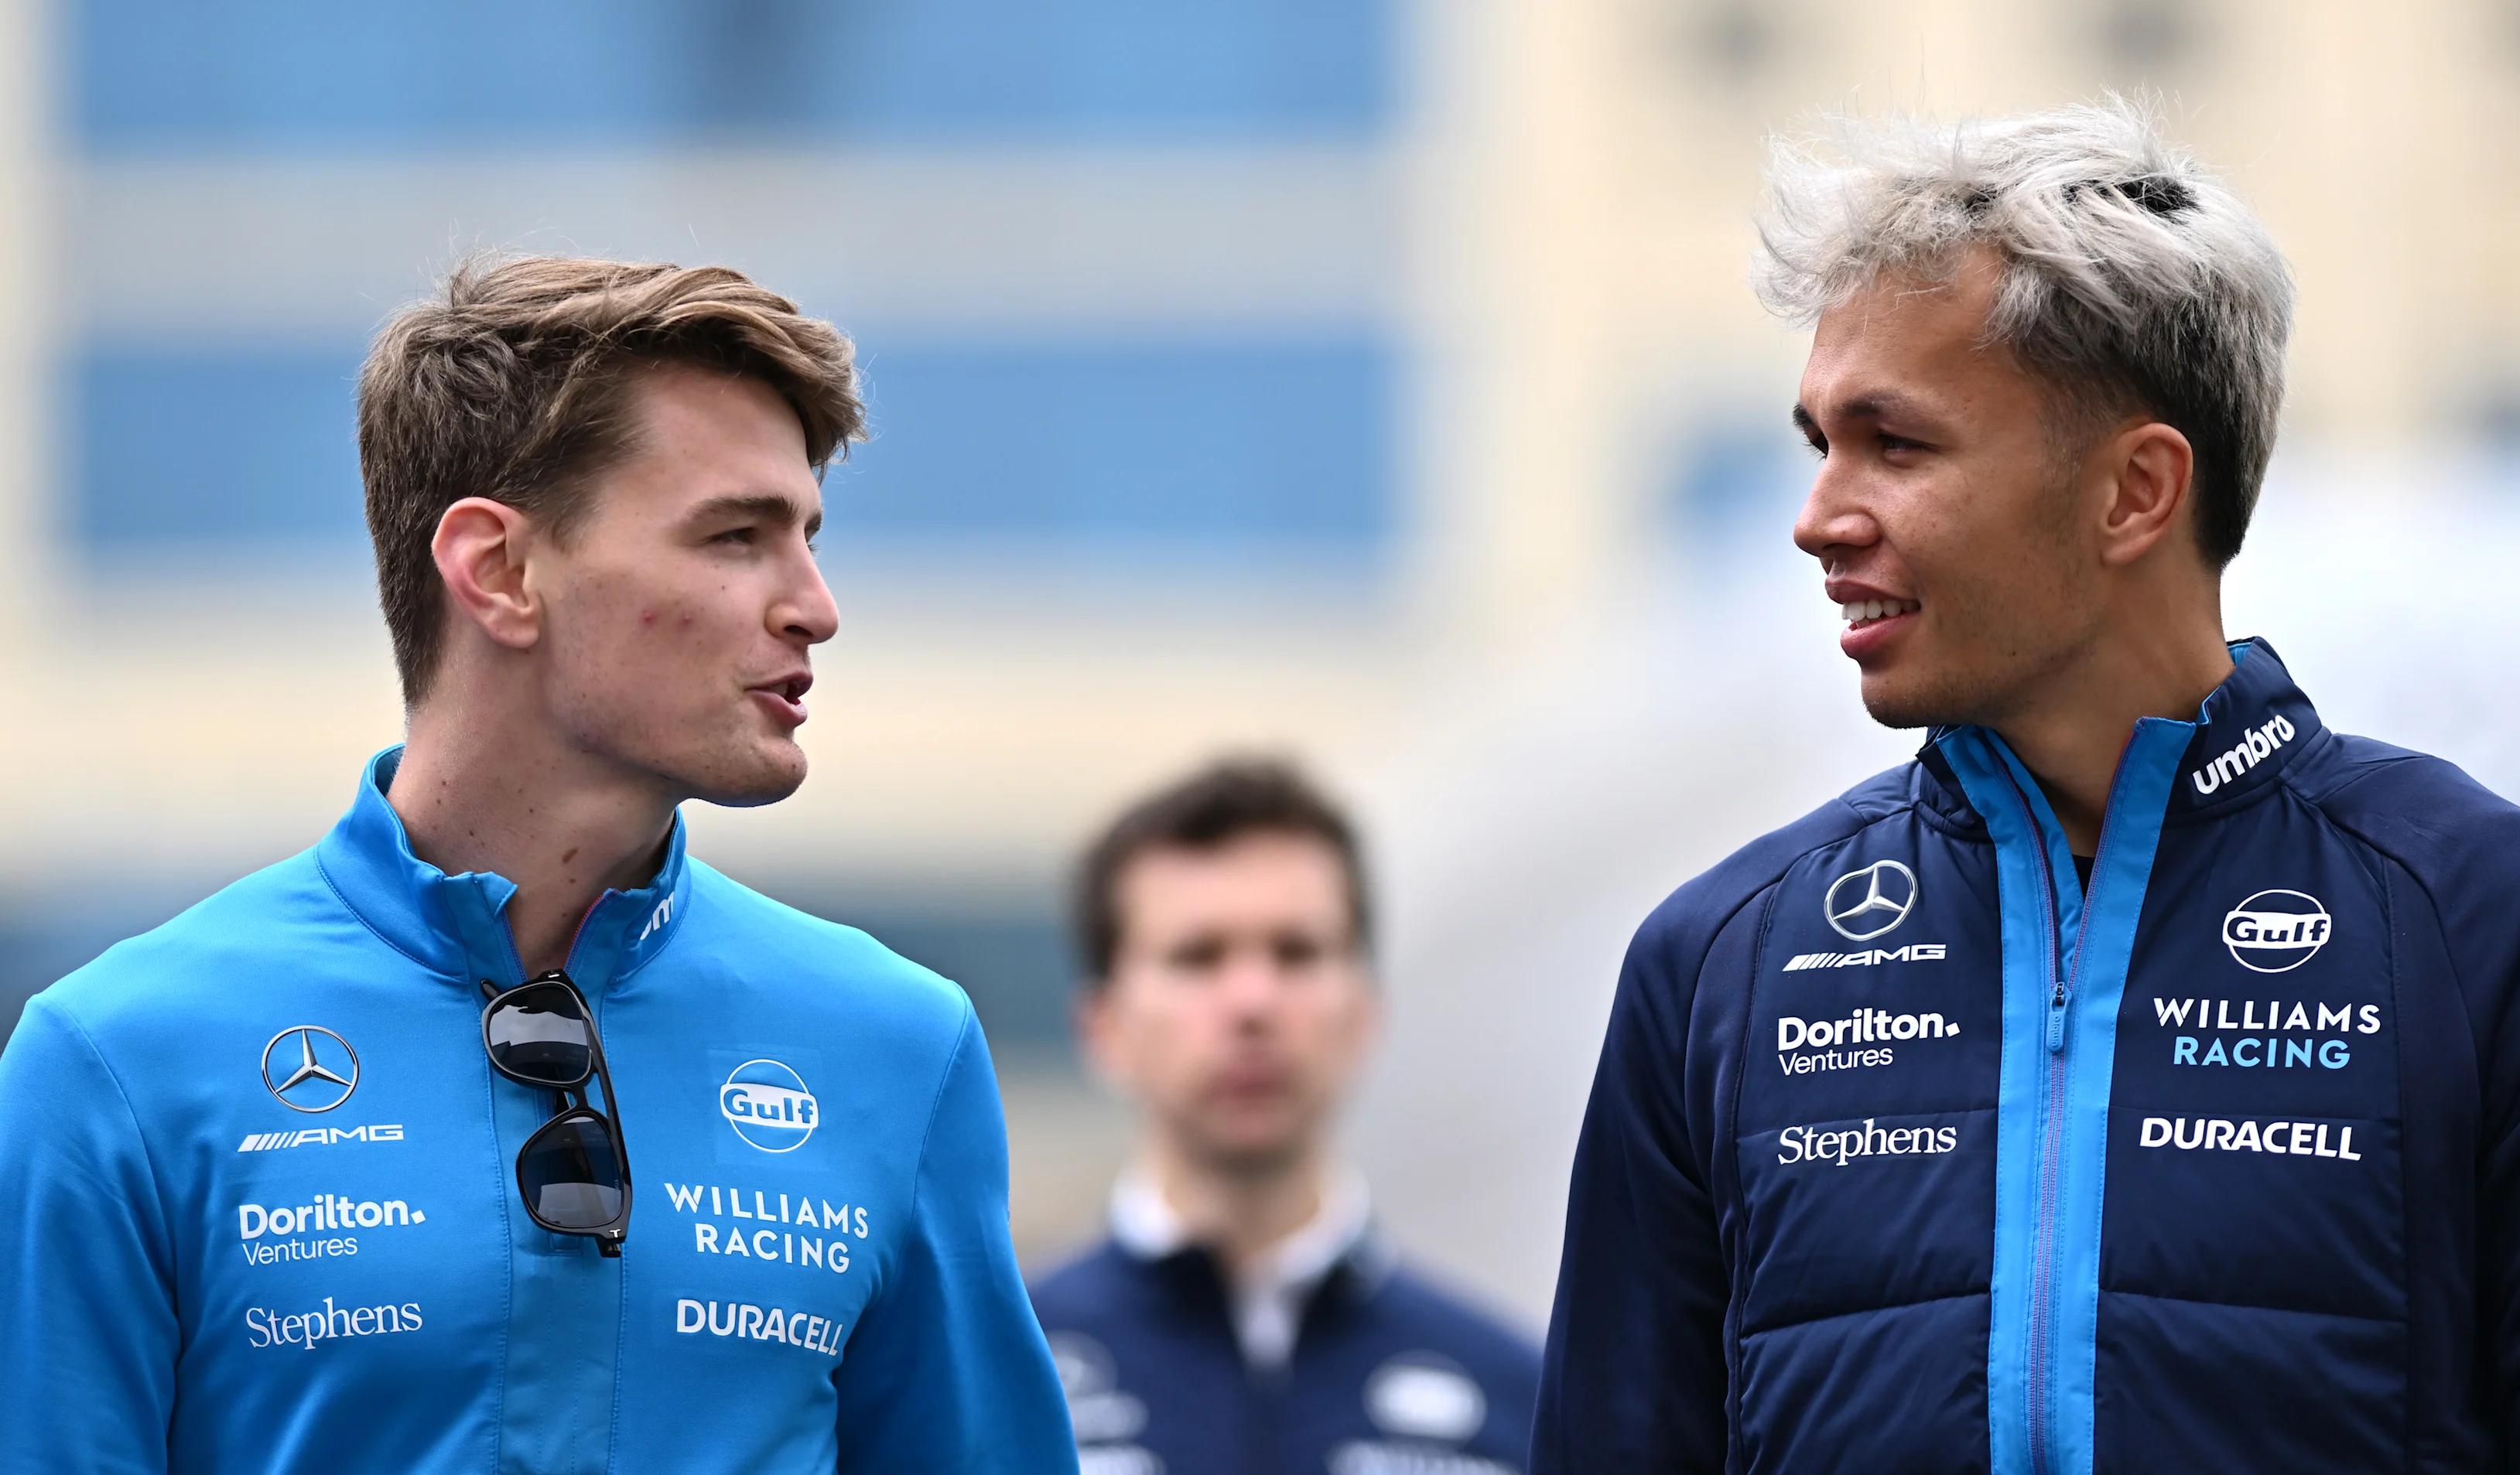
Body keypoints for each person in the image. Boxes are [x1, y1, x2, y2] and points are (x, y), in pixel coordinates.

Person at [1534, 101, 2520, 1473]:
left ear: (2134, 494)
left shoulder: (2511, 936)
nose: (1817, 517)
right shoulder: (1718, 965)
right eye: (1820, 441)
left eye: (1897, 443)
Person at [0, 257, 1073, 1472]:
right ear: (500, 571)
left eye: (808, 538)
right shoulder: (114, 1065)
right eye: (737, 535)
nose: (816, 607)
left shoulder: (902, 1048)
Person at [1030, 759, 1540, 1475]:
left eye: (1296, 953)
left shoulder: (1522, 1399)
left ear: (1365, 1014)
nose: (1253, 1001)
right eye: (1198, 957)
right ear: (1105, 1027)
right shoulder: (998, 1372)